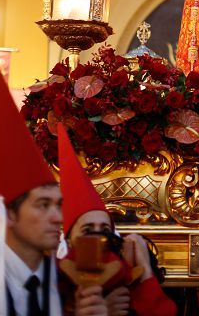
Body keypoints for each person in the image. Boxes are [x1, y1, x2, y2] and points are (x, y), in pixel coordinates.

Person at [0, 58, 105, 316]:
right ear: (9, 213)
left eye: (59, 205)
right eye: (43, 205)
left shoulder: (68, 285)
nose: (58, 218)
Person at [57, 123, 177, 316]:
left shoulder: (127, 275)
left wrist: (144, 268)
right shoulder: (58, 281)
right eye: (88, 230)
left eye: (105, 229)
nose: (99, 238)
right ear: (69, 239)